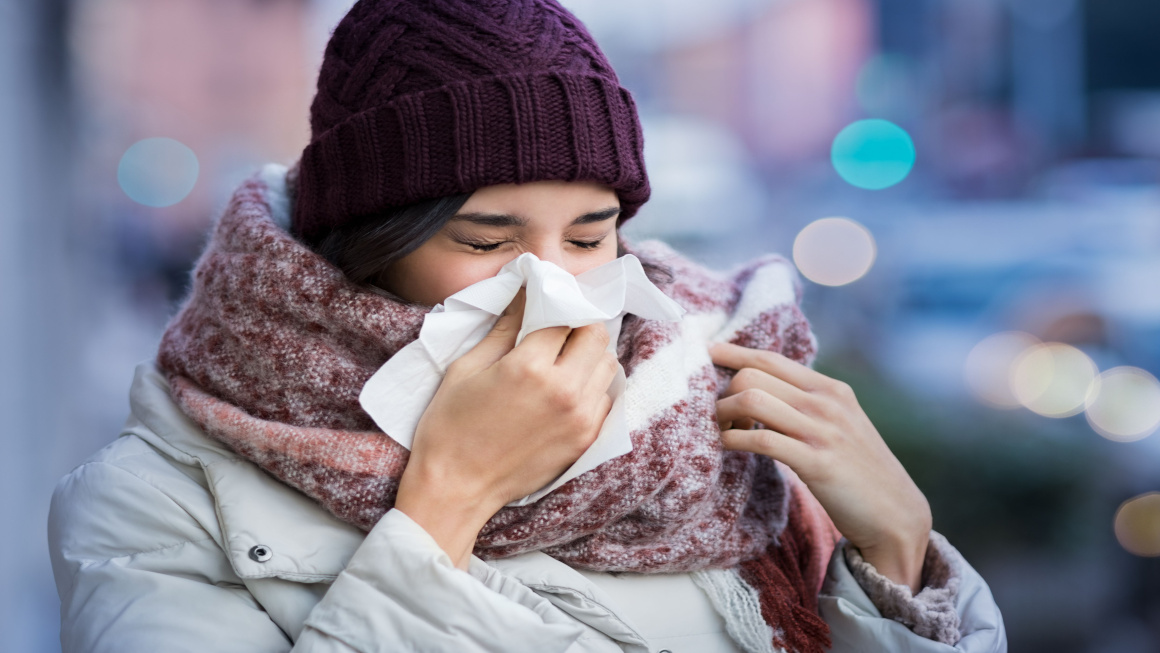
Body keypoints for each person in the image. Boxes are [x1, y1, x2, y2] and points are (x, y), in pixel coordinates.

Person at [48, 1, 1006, 651]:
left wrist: (898, 560)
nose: (552, 283)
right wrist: (446, 506)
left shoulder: (710, 409)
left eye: (590, 235)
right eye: (486, 237)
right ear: (371, 243)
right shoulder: (155, 504)